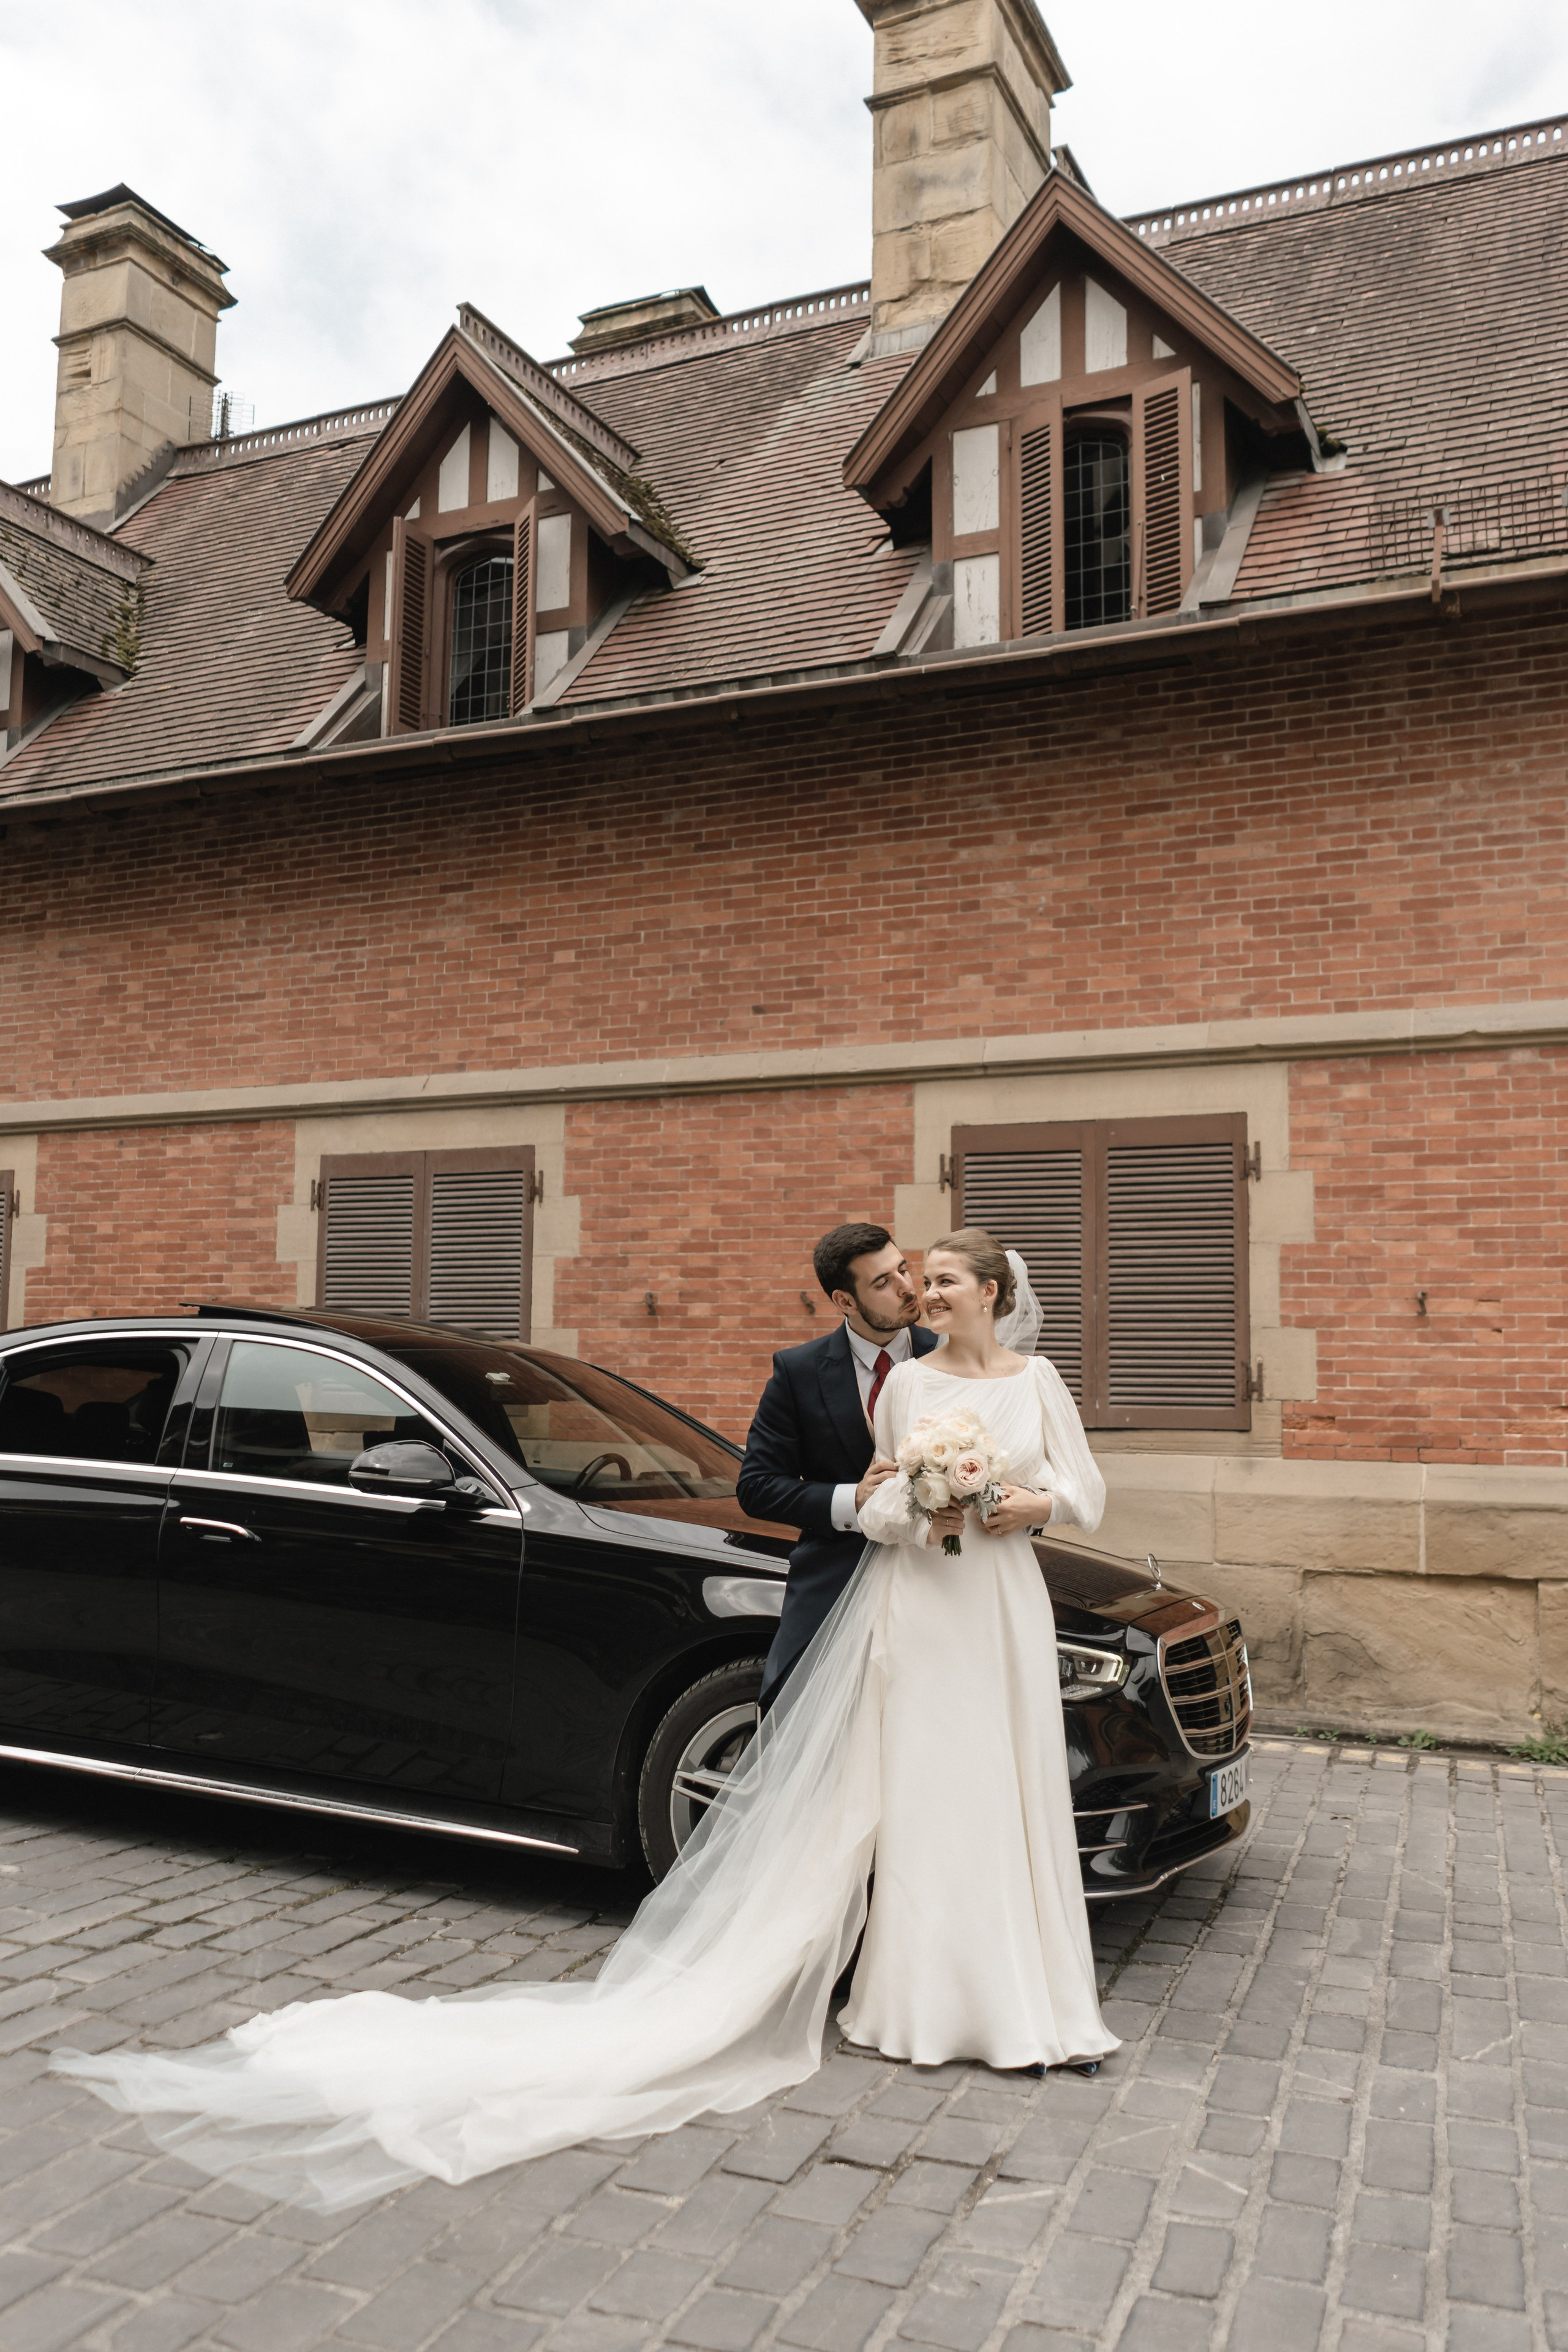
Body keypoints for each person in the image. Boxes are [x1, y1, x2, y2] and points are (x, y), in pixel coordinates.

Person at [51, 1231, 1116, 2212]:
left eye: (931, 1281)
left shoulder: (982, 1376)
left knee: (982, 1797)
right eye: (901, 1279)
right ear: (853, 1293)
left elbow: (1069, 1484)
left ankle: (1001, 1988)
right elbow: (835, 1491)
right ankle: (917, 1998)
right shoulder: (855, 1377)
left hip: (984, 1607)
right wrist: (903, 1499)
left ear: (987, 1294)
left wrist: (1008, 1504)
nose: (917, 1294)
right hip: (895, 1598)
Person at [738, 1223, 939, 1708]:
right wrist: (853, 1498)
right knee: (794, 1720)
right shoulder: (799, 1371)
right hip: (836, 1580)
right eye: (882, 1283)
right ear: (844, 1301)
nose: (908, 1288)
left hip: (938, 1583)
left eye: (904, 1269)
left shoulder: (950, 1357)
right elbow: (757, 1487)